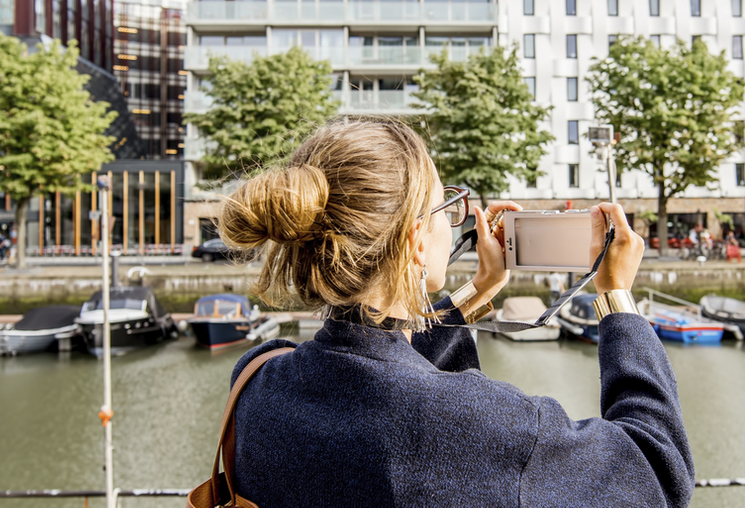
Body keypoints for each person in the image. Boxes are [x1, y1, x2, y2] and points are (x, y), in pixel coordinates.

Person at [217, 117, 690, 507]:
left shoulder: (257, 380)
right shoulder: (486, 422)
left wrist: (481, 287)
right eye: (446, 206)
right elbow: (656, 468)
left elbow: (380, 364)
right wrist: (616, 296)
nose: (455, 218)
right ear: (416, 241)